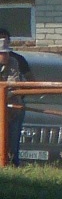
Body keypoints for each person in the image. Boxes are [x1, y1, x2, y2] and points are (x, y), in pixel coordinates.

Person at [0, 26, 31, 165]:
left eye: (7, 53)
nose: (6, 56)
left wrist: (5, 94)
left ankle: (13, 162)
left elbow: (13, 82)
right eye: (2, 53)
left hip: (13, 107)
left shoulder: (14, 61)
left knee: (13, 138)